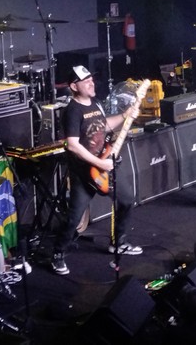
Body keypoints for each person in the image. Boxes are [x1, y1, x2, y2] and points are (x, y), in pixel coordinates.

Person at [51, 65, 142, 275]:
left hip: (105, 165)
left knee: (127, 200)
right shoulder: (72, 111)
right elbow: (73, 145)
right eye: (86, 81)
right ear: (74, 86)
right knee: (74, 218)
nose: (91, 83)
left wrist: (125, 115)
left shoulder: (96, 103)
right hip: (84, 173)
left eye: (91, 79)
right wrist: (100, 164)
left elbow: (104, 125)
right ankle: (57, 254)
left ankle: (118, 243)